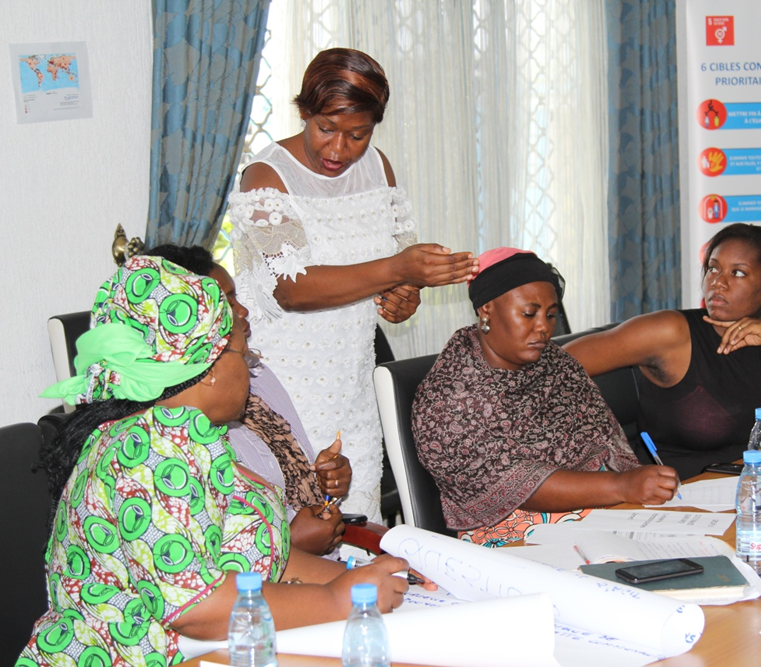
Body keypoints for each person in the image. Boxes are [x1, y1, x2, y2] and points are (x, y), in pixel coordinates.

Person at [25, 256, 412, 666]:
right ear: (209, 368)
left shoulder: (191, 439)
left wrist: (376, 586)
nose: (249, 373)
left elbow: (268, 556)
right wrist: (336, 600)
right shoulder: (146, 454)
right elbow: (195, 608)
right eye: (244, 358)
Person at [228, 47, 478, 523]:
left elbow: (393, 280)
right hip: (285, 387)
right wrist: (398, 269)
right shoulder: (267, 176)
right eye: (326, 128)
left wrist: (405, 296)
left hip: (353, 387)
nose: (338, 150)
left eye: (358, 135)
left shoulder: (377, 168)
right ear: (304, 112)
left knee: (359, 533)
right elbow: (292, 288)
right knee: (296, 535)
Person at [412, 248, 679, 547]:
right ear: (486, 309)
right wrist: (621, 486)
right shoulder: (448, 397)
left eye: (551, 315)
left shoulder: (554, 363)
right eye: (529, 313)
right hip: (514, 538)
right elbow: (511, 484)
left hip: (603, 512)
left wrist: (639, 482)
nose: (543, 327)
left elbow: (602, 440)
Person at [564, 223, 761, 480]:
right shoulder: (670, 332)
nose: (718, 283)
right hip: (678, 500)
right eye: (713, 268)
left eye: (738, 273)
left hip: (753, 493)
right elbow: (556, 363)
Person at [148, 244, 351, 556]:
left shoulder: (259, 376)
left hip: (309, 572)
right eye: (226, 302)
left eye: (236, 298)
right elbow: (199, 568)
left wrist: (324, 481)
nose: (241, 311)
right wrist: (289, 544)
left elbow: (292, 491)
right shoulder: (166, 439)